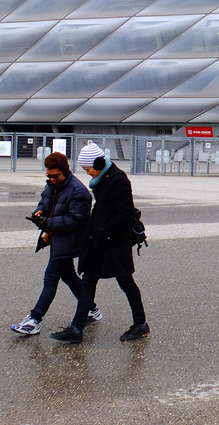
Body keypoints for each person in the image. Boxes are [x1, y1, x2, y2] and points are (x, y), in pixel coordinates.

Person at [50, 142, 149, 344]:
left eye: (87, 169)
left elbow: (126, 212)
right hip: (100, 241)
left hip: (114, 242)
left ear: (97, 163)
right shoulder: (103, 178)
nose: (87, 173)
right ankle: (77, 328)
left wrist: (104, 232)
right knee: (88, 281)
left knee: (126, 281)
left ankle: (141, 324)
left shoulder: (117, 179)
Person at [11, 152, 102, 336]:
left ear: (65, 171)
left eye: (55, 176)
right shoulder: (53, 185)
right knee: (68, 276)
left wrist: (48, 224)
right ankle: (92, 309)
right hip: (58, 237)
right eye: (49, 176)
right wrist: (39, 212)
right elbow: (45, 201)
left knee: (50, 278)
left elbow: (76, 220)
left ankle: (34, 320)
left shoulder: (79, 192)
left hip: (70, 239)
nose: (52, 179)